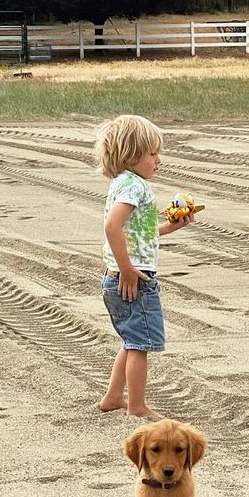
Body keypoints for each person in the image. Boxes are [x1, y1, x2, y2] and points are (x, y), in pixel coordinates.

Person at [94, 114, 194, 418]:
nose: (158, 160)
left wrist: (170, 227)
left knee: (131, 339)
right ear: (130, 156)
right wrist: (126, 269)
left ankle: (113, 397)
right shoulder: (134, 187)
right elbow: (112, 226)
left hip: (120, 275)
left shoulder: (122, 183)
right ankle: (137, 407)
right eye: (152, 153)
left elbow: (137, 233)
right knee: (140, 344)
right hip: (132, 277)